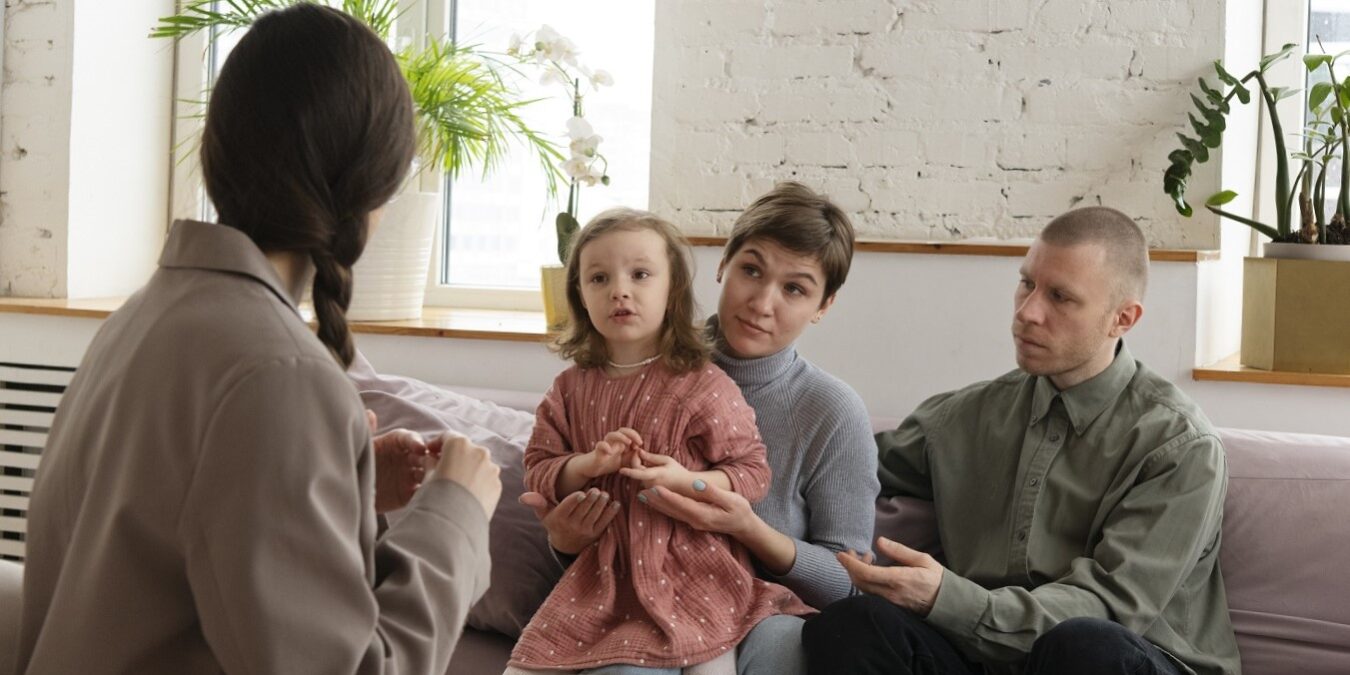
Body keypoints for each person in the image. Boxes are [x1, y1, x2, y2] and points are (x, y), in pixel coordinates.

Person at [15, 6, 501, 674]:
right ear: (376, 186)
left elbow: (173, 560)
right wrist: (457, 513)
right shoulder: (276, 373)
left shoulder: (140, 319)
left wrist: (347, 489)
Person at [801, 207, 1239, 675]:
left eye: (1060, 297)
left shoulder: (1180, 447)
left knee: (1083, 645)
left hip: (1121, 657)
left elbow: (1112, 606)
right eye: (1026, 283)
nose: (1027, 312)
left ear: (1123, 319)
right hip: (991, 660)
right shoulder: (964, 417)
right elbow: (841, 464)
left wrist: (946, 598)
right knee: (850, 624)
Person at [521, 183, 880, 675]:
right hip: (638, 597)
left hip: (767, 609)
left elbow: (851, 583)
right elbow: (603, 517)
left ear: (824, 305)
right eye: (751, 270)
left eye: (795, 289)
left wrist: (748, 528)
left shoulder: (833, 411)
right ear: (722, 265)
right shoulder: (628, 364)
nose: (762, 302)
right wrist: (564, 542)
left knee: (787, 654)